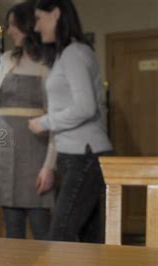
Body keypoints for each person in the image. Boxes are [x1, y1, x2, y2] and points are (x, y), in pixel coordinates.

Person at [29, 0, 113, 243]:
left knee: (60, 234)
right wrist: (51, 163)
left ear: (55, 13)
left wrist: (44, 122)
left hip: (85, 155)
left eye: (38, 18)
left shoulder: (74, 53)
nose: (36, 27)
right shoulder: (67, 54)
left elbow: (85, 107)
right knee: (89, 239)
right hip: (77, 155)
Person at [0, 1, 55, 240]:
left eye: (13, 25)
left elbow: (54, 115)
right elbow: (2, 105)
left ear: (28, 25)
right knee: (11, 226)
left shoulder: (47, 61)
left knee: (41, 224)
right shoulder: (5, 59)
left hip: (35, 147)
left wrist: (50, 164)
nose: (9, 30)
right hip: (4, 146)